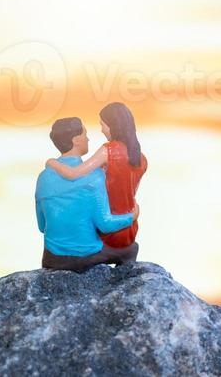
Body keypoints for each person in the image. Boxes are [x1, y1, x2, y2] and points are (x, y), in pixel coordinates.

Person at [36, 116, 140, 272]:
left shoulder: (43, 177)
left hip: (52, 257)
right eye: (85, 134)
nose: (88, 139)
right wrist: (132, 216)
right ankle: (121, 285)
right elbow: (105, 224)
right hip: (85, 257)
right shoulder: (95, 177)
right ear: (76, 139)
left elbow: (42, 226)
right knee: (131, 248)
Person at [42, 102, 147, 249]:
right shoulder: (141, 159)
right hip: (129, 230)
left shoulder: (108, 151)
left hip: (108, 231)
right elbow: (129, 193)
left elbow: (73, 174)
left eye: (102, 125)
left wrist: (51, 162)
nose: (101, 130)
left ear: (113, 125)